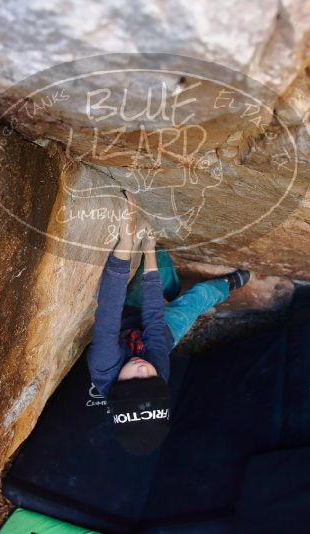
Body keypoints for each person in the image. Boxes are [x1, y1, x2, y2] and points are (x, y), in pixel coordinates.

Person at [87, 193, 250, 454]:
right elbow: (153, 318)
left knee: (157, 260)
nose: (143, 370)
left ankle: (172, 287)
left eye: (133, 381)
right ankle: (225, 285)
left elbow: (109, 309)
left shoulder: (104, 366)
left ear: (117, 390)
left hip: (126, 314)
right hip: (158, 335)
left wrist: (126, 241)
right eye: (150, 379)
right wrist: (148, 251)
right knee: (197, 297)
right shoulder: (156, 371)